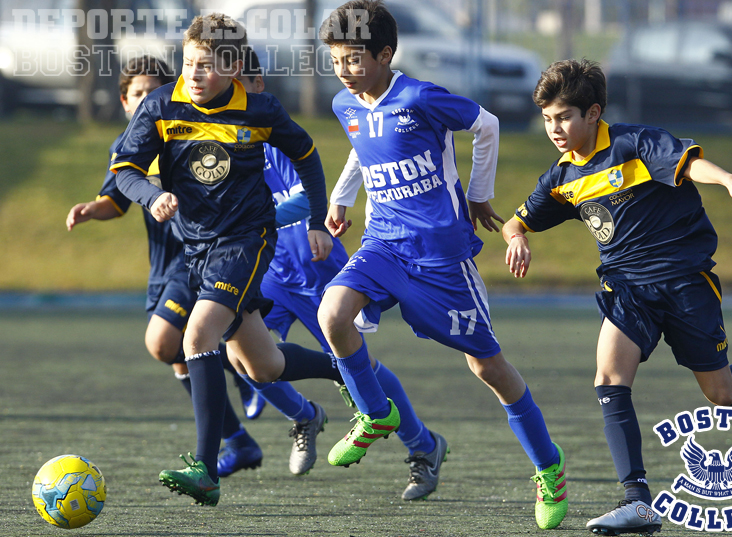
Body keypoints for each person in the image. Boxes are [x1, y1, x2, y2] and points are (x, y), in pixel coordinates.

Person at [503, 58, 732, 535]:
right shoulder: (560, 178)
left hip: (684, 282)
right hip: (627, 290)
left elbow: (690, 162)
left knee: (721, 394)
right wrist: (517, 237)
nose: (554, 128)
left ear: (593, 113)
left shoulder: (634, 144)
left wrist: (731, 181)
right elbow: (518, 219)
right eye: (547, 119)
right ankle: (638, 501)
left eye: (563, 117)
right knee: (609, 378)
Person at [317, 1, 567, 529]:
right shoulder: (346, 104)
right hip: (384, 243)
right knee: (332, 314)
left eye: (354, 59)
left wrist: (479, 196)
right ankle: (376, 412)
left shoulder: (421, 97)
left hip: (441, 257)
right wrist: (341, 197)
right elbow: (364, 146)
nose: (343, 70)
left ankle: (549, 467)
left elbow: (488, 124)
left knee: (488, 368)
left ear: (386, 55)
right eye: (336, 60)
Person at [110, 13, 343, 506]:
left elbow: (307, 154)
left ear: (234, 66)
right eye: (188, 63)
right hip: (197, 248)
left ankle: (206, 467)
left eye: (206, 66)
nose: (193, 75)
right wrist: (151, 197)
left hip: (246, 240)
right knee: (263, 366)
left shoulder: (258, 110)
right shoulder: (161, 104)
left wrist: (319, 219)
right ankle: (348, 370)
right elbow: (125, 169)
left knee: (197, 336)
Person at [237, 47, 450, 500]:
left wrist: (265, 217)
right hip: (268, 271)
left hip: (315, 268)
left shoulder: (274, 137)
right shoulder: (217, 145)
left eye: (238, 83)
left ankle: (423, 446)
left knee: (356, 365)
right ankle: (303, 416)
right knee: (242, 354)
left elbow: (307, 194)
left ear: (257, 86)